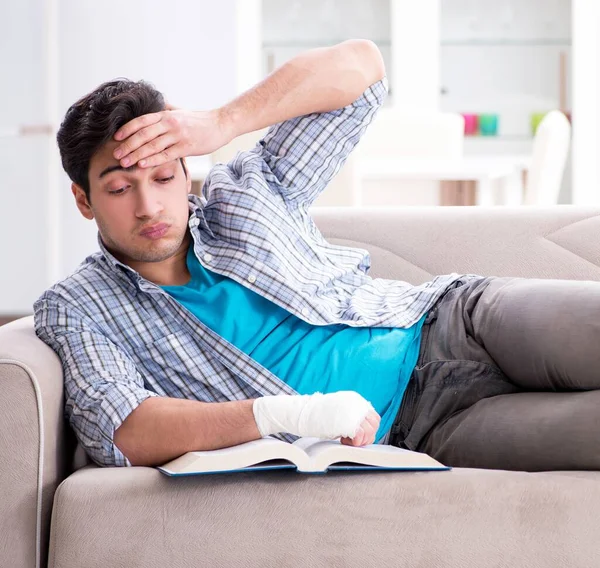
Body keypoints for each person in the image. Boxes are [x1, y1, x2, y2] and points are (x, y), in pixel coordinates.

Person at [34, 39, 600, 473]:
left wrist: (220, 123)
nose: (149, 204)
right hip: (421, 428)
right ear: (83, 200)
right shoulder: (78, 306)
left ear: (185, 169)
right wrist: (286, 415)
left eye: (163, 176)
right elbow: (123, 427)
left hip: (457, 319)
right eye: (118, 188)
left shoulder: (247, 194)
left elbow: (362, 67)